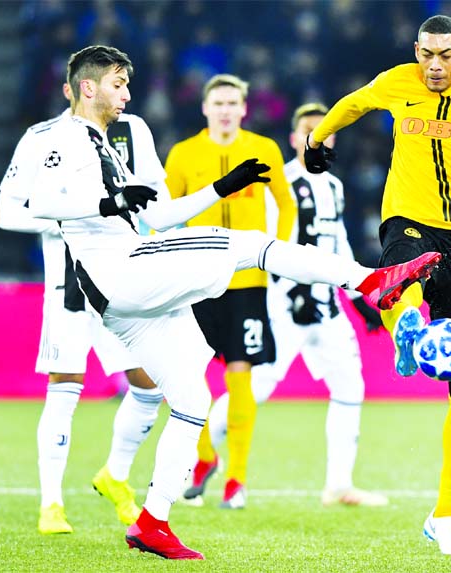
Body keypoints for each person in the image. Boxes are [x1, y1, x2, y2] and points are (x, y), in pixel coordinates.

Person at [27, 45, 439, 560]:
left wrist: (223, 186)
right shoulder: (62, 136)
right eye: (117, 84)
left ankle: (153, 521)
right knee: (248, 243)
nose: (127, 94)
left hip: (125, 299)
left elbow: (160, 215)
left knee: (193, 403)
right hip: (123, 272)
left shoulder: (109, 141)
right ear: (88, 88)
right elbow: (38, 203)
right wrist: (108, 203)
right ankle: (371, 282)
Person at [304, 15, 451, 555]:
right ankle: (406, 320)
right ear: (416, 50)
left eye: (445, 55)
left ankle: (445, 516)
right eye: (426, 54)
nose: (434, 65)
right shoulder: (396, 82)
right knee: (401, 269)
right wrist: (318, 137)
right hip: (406, 218)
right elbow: (354, 103)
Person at [205, 103, 389, 508]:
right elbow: (270, 245)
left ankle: (338, 485)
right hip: (283, 307)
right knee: (255, 386)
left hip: (328, 308)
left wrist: (361, 301)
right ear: (294, 138)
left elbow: (337, 245)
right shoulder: (280, 184)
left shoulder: (335, 187)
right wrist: (288, 291)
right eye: (308, 132)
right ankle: (197, 462)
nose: (316, 139)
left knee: (349, 387)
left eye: (323, 133)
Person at [0, 102, 163, 535]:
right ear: (77, 89)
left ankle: (116, 475)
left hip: (123, 281)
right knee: (65, 386)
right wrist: (60, 221)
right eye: (114, 82)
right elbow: (6, 211)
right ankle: (51, 504)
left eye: (124, 82)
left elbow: (156, 195)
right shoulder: (42, 136)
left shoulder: (133, 130)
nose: (121, 93)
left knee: (150, 386)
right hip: (67, 286)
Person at [164, 74, 297, 509]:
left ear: (244, 108)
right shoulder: (184, 154)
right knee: (190, 374)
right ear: (205, 108)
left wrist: (274, 251)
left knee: (240, 374)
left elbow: (286, 201)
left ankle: (236, 477)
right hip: (198, 279)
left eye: (232, 103)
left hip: (246, 281)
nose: (224, 109)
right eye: (217, 102)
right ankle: (204, 457)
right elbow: (165, 212)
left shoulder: (264, 149)